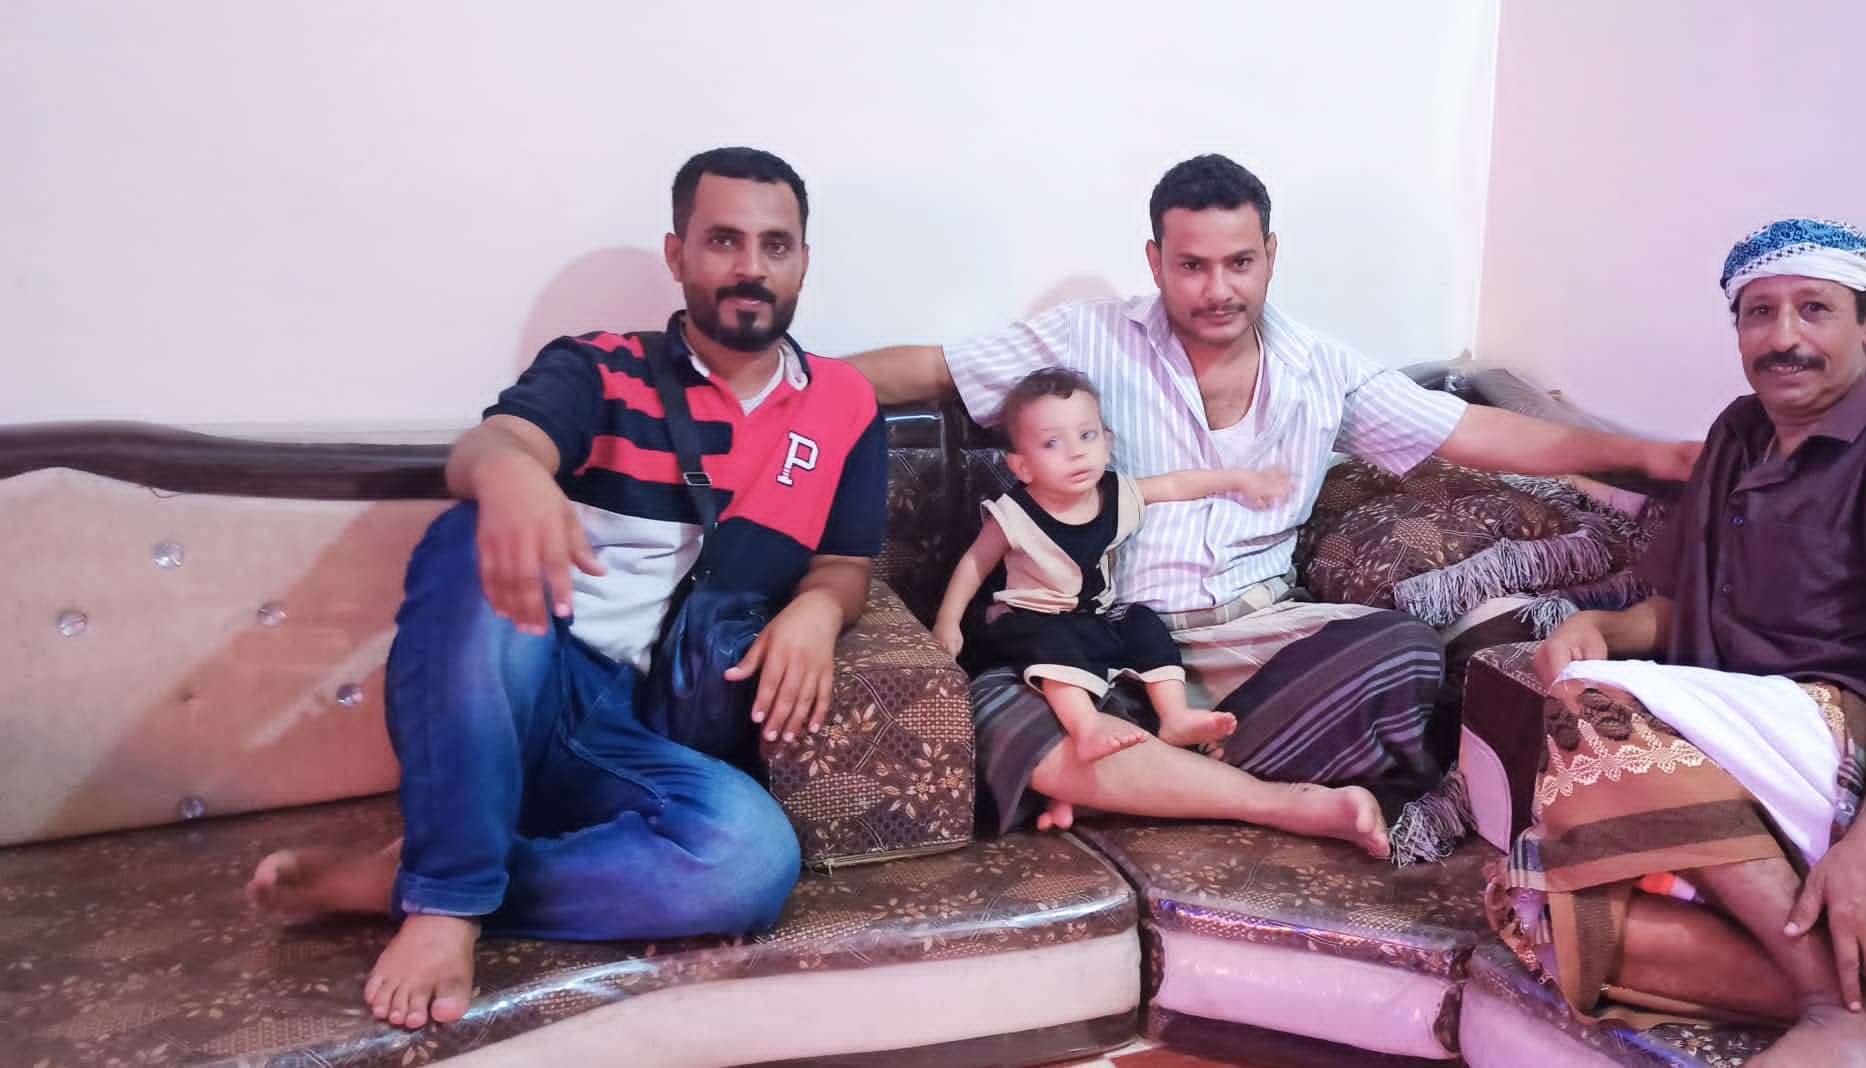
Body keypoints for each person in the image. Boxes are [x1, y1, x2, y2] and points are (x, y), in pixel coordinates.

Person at [851, 154, 1698, 861]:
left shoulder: (1321, 370)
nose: (1217, 288)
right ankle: (1272, 800)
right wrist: (791, 384)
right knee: (995, 708)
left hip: (1259, 643)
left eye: (1239, 263)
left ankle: (1145, 782)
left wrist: (1645, 457)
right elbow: (932, 368)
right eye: (1191, 266)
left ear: (1271, 255)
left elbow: (1470, 430)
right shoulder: (1088, 338)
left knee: (1404, 657)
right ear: (1155, 261)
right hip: (1108, 640)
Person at [243, 147, 888, 1030]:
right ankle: (445, 905)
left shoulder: (845, 405)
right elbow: (494, 445)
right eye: (723, 240)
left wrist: (818, 608)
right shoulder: (600, 368)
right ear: (678, 255)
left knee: (750, 860)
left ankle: (407, 879)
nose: (751, 266)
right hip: (515, 684)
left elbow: (845, 564)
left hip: (642, 732)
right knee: (469, 534)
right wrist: (511, 477)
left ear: (803, 261)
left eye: (775, 245)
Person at [1508, 218, 1866, 1067]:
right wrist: (1600, 631)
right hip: (1767, 751)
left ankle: (1837, 1011)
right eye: (1759, 313)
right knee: (1531, 903)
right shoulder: (1740, 434)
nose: (1784, 338)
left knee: (1593, 713)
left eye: (1815, 309)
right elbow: (1680, 612)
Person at [934, 367, 1290, 763]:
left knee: (1143, 622)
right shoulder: (1013, 515)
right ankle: (1086, 728)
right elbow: (974, 564)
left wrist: (1240, 479)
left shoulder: (1118, 493)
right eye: (1052, 443)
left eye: (1087, 435)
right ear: (1022, 467)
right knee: (1055, 641)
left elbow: (1176, 485)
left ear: (1107, 442)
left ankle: (1174, 716)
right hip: (1030, 621)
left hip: (1094, 618)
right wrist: (948, 622)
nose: (1076, 452)